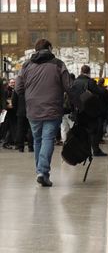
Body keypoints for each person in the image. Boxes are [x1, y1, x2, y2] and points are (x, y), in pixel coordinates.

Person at [15, 39, 72, 187]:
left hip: (33, 109)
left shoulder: (26, 65)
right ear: (49, 48)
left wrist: (30, 94)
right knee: (47, 139)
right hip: (52, 108)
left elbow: (18, 88)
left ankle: (41, 172)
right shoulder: (58, 64)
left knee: (37, 140)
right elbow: (68, 86)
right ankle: (42, 171)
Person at [71, 65, 107, 157]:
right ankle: (95, 150)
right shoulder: (90, 82)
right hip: (90, 111)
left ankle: (81, 150)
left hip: (78, 111)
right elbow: (100, 92)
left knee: (81, 131)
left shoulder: (74, 82)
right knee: (94, 131)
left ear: (80, 71)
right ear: (89, 72)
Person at [12, 87, 33, 152]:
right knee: (31, 129)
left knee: (20, 130)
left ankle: (20, 147)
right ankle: (31, 146)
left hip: (20, 112)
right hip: (30, 111)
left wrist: (17, 110)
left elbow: (14, 101)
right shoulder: (31, 87)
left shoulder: (17, 89)